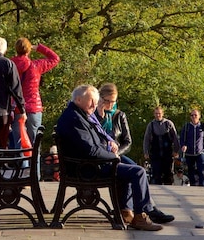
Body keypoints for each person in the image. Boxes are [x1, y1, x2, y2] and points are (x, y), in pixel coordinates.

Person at [54, 85, 163, 231]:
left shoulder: (79, 114)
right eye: (91, 101)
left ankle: (126, 211)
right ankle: (140, 216)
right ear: (78, 99)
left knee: (132, 168)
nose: (94, 105)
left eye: (95, 102)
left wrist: (111, 152)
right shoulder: (74, 119)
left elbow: (94, 145)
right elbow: (91, 150)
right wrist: (112, 156)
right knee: (138, 172)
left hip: (89, 163)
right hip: (86, 169)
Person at [95, 84, 173, 224]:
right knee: (135, 171)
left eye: (114, 101)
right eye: (107, 101)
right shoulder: (94, 115)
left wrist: (117, 152)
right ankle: (145, 209)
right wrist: (100, 116)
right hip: (102, 157)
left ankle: (138, 209)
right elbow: (94, 136)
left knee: (137, 169)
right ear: (100, 99)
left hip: (116, 154)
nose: (111, 104)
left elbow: (127, 141)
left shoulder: (119, 115)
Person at [9, 38, 60, 149]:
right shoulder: (36, 65)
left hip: (17, 106)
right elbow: (55, 58)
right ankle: (34, 166)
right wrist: (39, 48)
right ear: (28, 50)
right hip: (33, 107)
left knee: (19, 142)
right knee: (35, 144)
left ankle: (21, 166)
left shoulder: (10, 65)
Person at [143, 107, 180, 185]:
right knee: (156, 174)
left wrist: (176, 151)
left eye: (159, 113)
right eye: (156, 113)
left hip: (167, 154)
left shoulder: (168, 124)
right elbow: (146, 139)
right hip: (155, 154)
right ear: (154, 114)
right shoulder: (151, 125)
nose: (158, 115)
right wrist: (146, 152)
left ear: (162, 114)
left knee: (168, 174)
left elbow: (175, 138)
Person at [179, 108, 204, 186]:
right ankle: (193, 187)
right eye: (192, 115)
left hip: (200, 152)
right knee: (190, 173)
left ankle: (202, 187)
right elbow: (182, 139)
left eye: (195, 115)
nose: (194, 117)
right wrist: (183, 146)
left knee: (201, 171)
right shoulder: (187, 126)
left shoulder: (203, 126)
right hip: (189, 154)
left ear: (199, 116)